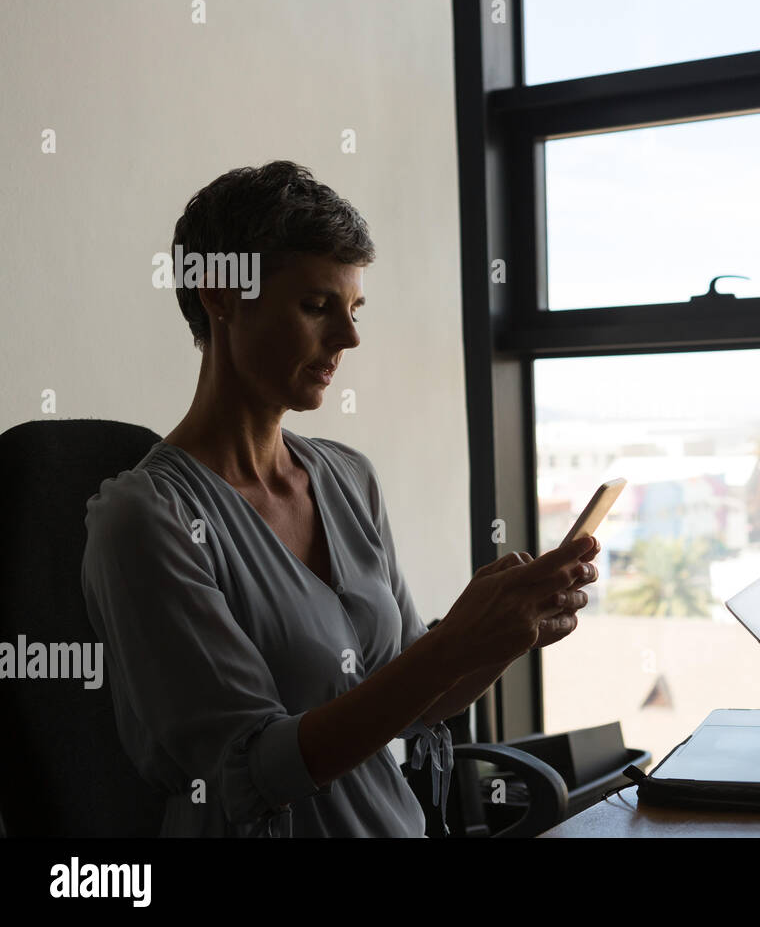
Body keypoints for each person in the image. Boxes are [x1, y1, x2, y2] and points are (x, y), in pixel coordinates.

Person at [81, 160, 598, 836]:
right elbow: (252, 772)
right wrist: (456, 642)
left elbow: (416, 704)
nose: (349, 338)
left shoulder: (349, 477)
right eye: (317, 306)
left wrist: (504, 635)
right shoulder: (146, 518)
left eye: (353, 310)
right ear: (221, 296)